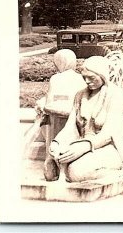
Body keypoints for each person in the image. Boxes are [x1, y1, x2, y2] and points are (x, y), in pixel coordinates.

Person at [47, 56, 123, 182]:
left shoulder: (116, 96)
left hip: (107, 148)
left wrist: (83, 147)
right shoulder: (79, 95)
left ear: (103, 76)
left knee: (75, 171)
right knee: (50, 170)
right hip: (80, 144)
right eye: (84, 77)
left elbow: (108, 134)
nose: (87, 81)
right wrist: (56, 142)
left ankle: (118, 174)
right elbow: (70, 128)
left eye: (91, 78)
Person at [34, 49, 87, 180]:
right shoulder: (80, 78)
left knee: (53, 144)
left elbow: (50, 100)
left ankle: (52, 168)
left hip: (56, 118)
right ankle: (65, 170)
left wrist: (43, 105)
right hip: (74, 119)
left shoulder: (56, 79)